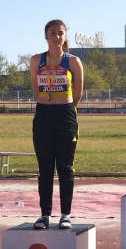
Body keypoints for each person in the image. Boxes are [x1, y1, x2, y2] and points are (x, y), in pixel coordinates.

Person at [30, 19, 83, 229]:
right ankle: (45, 214)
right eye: (53, 33)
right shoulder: (36, 60)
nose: (57, 37)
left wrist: (66, 108)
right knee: (45, 169)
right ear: (46, 36)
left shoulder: (73, 61)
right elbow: (37, 89)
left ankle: (65, 215)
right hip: (43, 115)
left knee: (65, 168)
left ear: (65, 36)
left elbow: (78, 92)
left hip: (66, 116)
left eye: (61, 33)